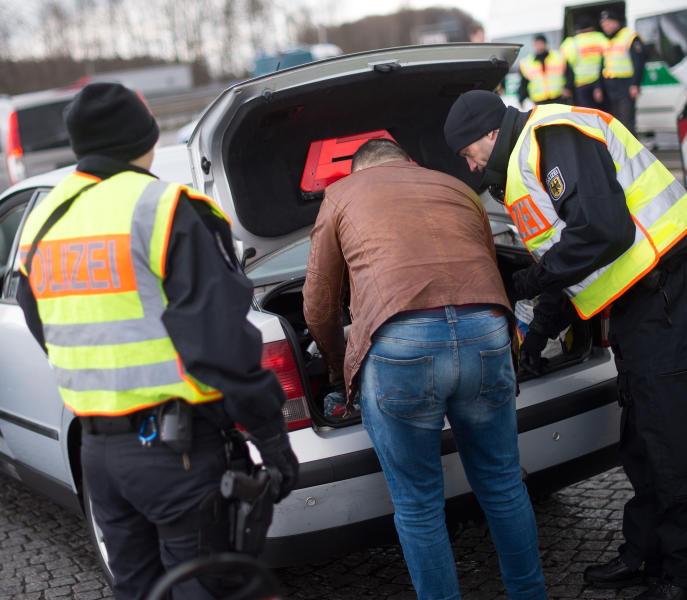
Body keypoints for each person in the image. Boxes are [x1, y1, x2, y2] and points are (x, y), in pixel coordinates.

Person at [16, 82, 298, 600]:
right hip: (177, 453)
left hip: (98, 453)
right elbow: (220, 341)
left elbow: (43, 320)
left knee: (139, 589)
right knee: (204, 586)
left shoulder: (44, 219)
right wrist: (271, 439)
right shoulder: (164, 209)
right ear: (144, 137)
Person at [443, 89, 687, 600]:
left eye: (469, 154)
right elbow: (567, 265)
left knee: (669, 441)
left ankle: (679, 574)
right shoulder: (522, 177)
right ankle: (644, 553)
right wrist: (534, 341)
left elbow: (604, 230)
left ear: (490, 133)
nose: (469, 167)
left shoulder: (549, 135)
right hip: (633, 304)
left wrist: (526, 283)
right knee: (642, 439)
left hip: (666, 289)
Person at [302, 138, 547, 600]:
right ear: (409, 162)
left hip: (402, 344)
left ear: (356, 171)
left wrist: (338, 370)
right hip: (487, 333)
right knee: (502, 485)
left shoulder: (342, 195)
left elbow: (317, 306)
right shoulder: (456, 187)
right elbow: (487, 267)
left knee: (418, 507)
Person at [595, 9, 646, 135]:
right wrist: (598, 87)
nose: (605, 26)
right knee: (616, 123)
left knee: (626, 122)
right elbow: (602, 65)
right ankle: (621, 153)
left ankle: (632, 153)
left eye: (607, 23)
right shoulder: (606, 41)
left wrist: (635, 84)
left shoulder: (630, 36)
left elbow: (639, 62)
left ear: (615, 22)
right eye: (603, 24)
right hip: (611, 88)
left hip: (626, 86)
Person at [560, 15, 607, 109]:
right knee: (603, 113)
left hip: (581, 85)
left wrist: (567, 87)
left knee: (586, 113)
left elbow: (565, 66)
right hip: (601, 83)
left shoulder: (571, 42)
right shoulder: (601, 37)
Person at [518, 34, 573, 107]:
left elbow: (570, 74)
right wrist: (521, 98)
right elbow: (524, 83)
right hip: (539, 101)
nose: (538, 46)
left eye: (540, 43)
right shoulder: (527, 62)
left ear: (545, 44)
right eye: (536, 44)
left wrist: (567, 88)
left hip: (558, 98)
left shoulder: (558, 57)